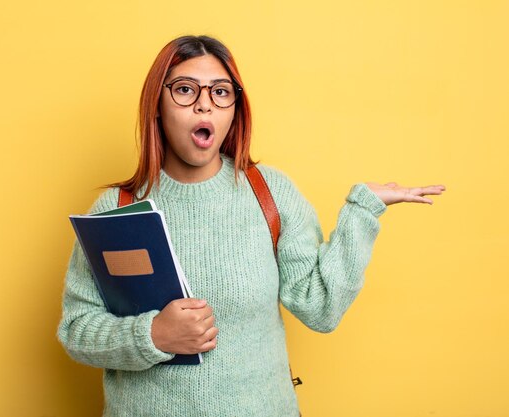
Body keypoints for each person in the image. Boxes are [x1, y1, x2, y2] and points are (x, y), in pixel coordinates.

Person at [57, 35, 446, 417]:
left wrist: (363, 212)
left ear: (234, 108)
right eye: (185, 90)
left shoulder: (270, 192)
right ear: (156, 104)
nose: (204, 106)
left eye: (221, 92)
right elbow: (77, 331)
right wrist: (153, 335)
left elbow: (321, 308)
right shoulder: (118, 208)